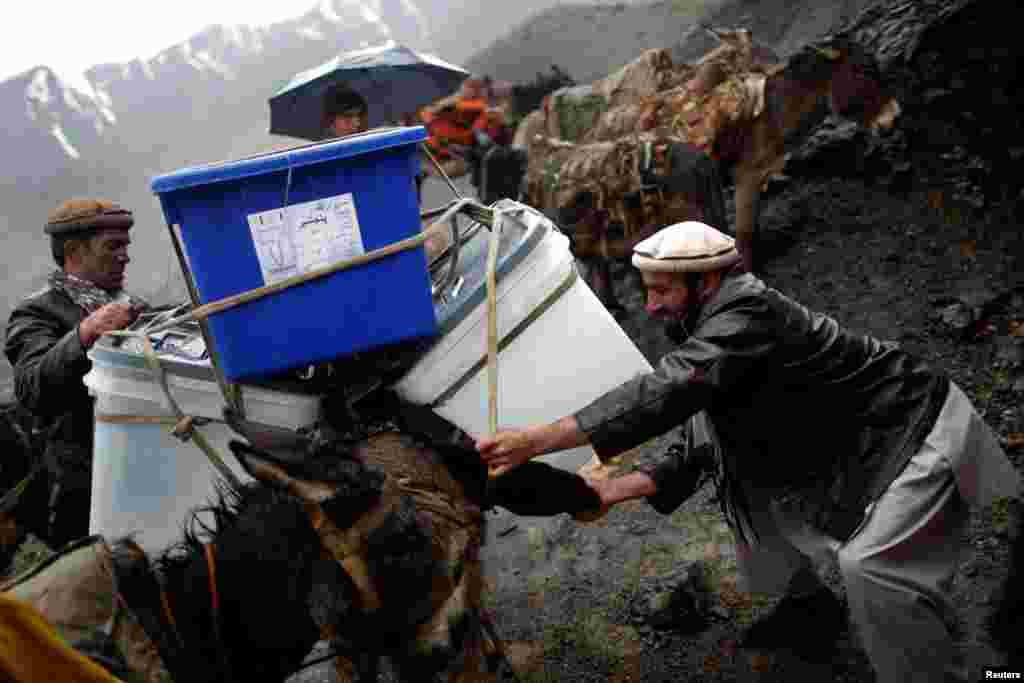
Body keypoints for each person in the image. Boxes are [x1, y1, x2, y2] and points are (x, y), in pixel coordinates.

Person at [476, 220, 1021, 683]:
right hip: (842, 436)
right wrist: (613, 489)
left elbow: (670, 390)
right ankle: (808, 608)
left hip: (904, 426)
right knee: (746, 496)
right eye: (647, 290)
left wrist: (539, 438)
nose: (651, 305)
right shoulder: (709, 325)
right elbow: (704, 432)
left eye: (662, 291)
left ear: (707, 279)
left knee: (871, 566)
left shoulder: (748, 312)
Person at [4, 198, 146, 547]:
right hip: (80, 491)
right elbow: (32, 388)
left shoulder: (130, 306)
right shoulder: (35, 314)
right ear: (73, 251)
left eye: (126, 246)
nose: (125, 256)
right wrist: (85, 334)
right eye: (112, 247)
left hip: (138, 472)